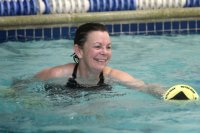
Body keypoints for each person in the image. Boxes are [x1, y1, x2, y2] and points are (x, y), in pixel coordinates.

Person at [35, 22, 165, 98]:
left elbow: (145, 87)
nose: (104, 52)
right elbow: (21, 87)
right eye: (97, 46)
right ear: (79, 51)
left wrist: (166, 94)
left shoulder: (112, 76)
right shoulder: (57, 74)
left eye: (108, 47)